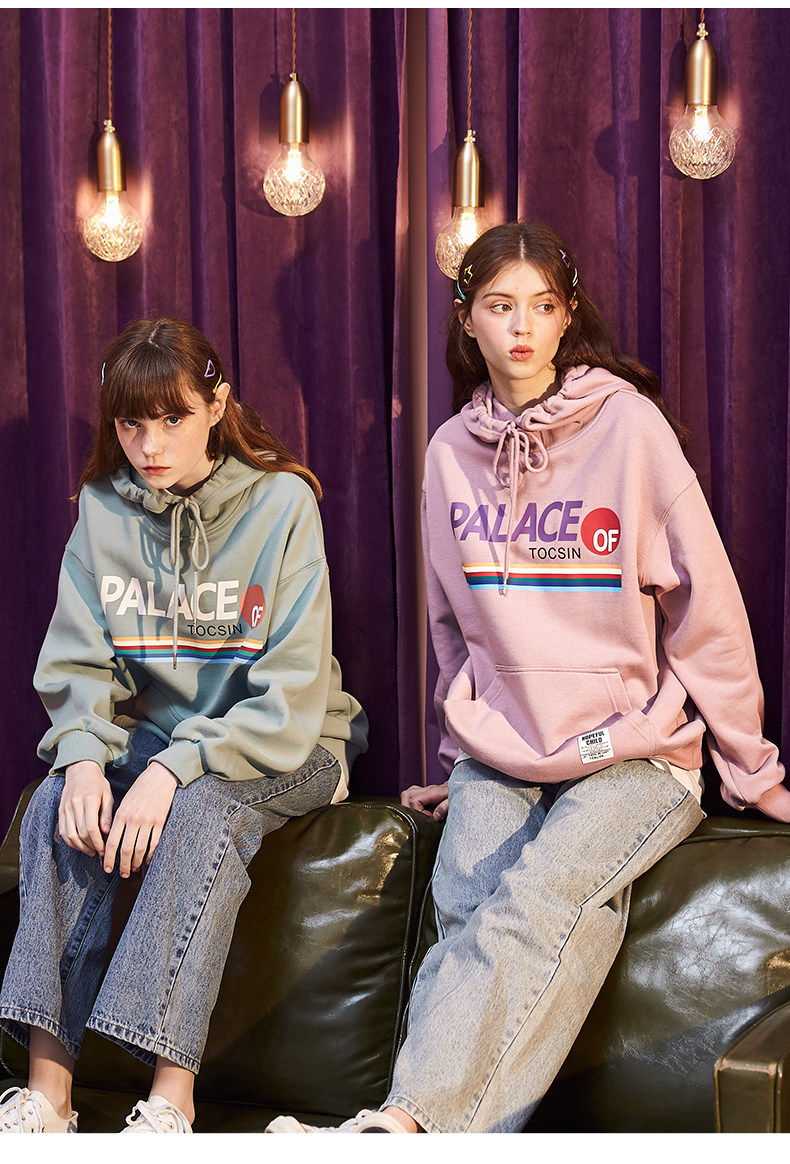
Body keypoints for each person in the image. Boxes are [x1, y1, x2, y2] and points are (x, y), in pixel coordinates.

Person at [265, 220, 790, 1135]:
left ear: (567, 316)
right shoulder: (447, 455)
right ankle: (415, 1128)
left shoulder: (628, 427)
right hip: (503, 750)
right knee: (468, 911)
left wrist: (752, 769)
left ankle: (406, 1128)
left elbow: (707, 610)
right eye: (500, 306)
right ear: (466, 318)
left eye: (542, 307)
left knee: (542, 898)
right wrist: (458, 747)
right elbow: (454, 628)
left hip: (634, 753)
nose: (521, 327)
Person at [0, 316, 368, 1134]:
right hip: (161, 740)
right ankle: (48, 1099)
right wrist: (85, 757)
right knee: (57, 804)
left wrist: (174, 769)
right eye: (131, 423)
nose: (150, 444)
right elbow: (78, 662)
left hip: (291, 740)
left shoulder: (281, 503)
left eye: (173, 418)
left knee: (203, 813)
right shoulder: (103, 511)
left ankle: (172, 1102)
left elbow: (291, 691)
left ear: (217, 405)